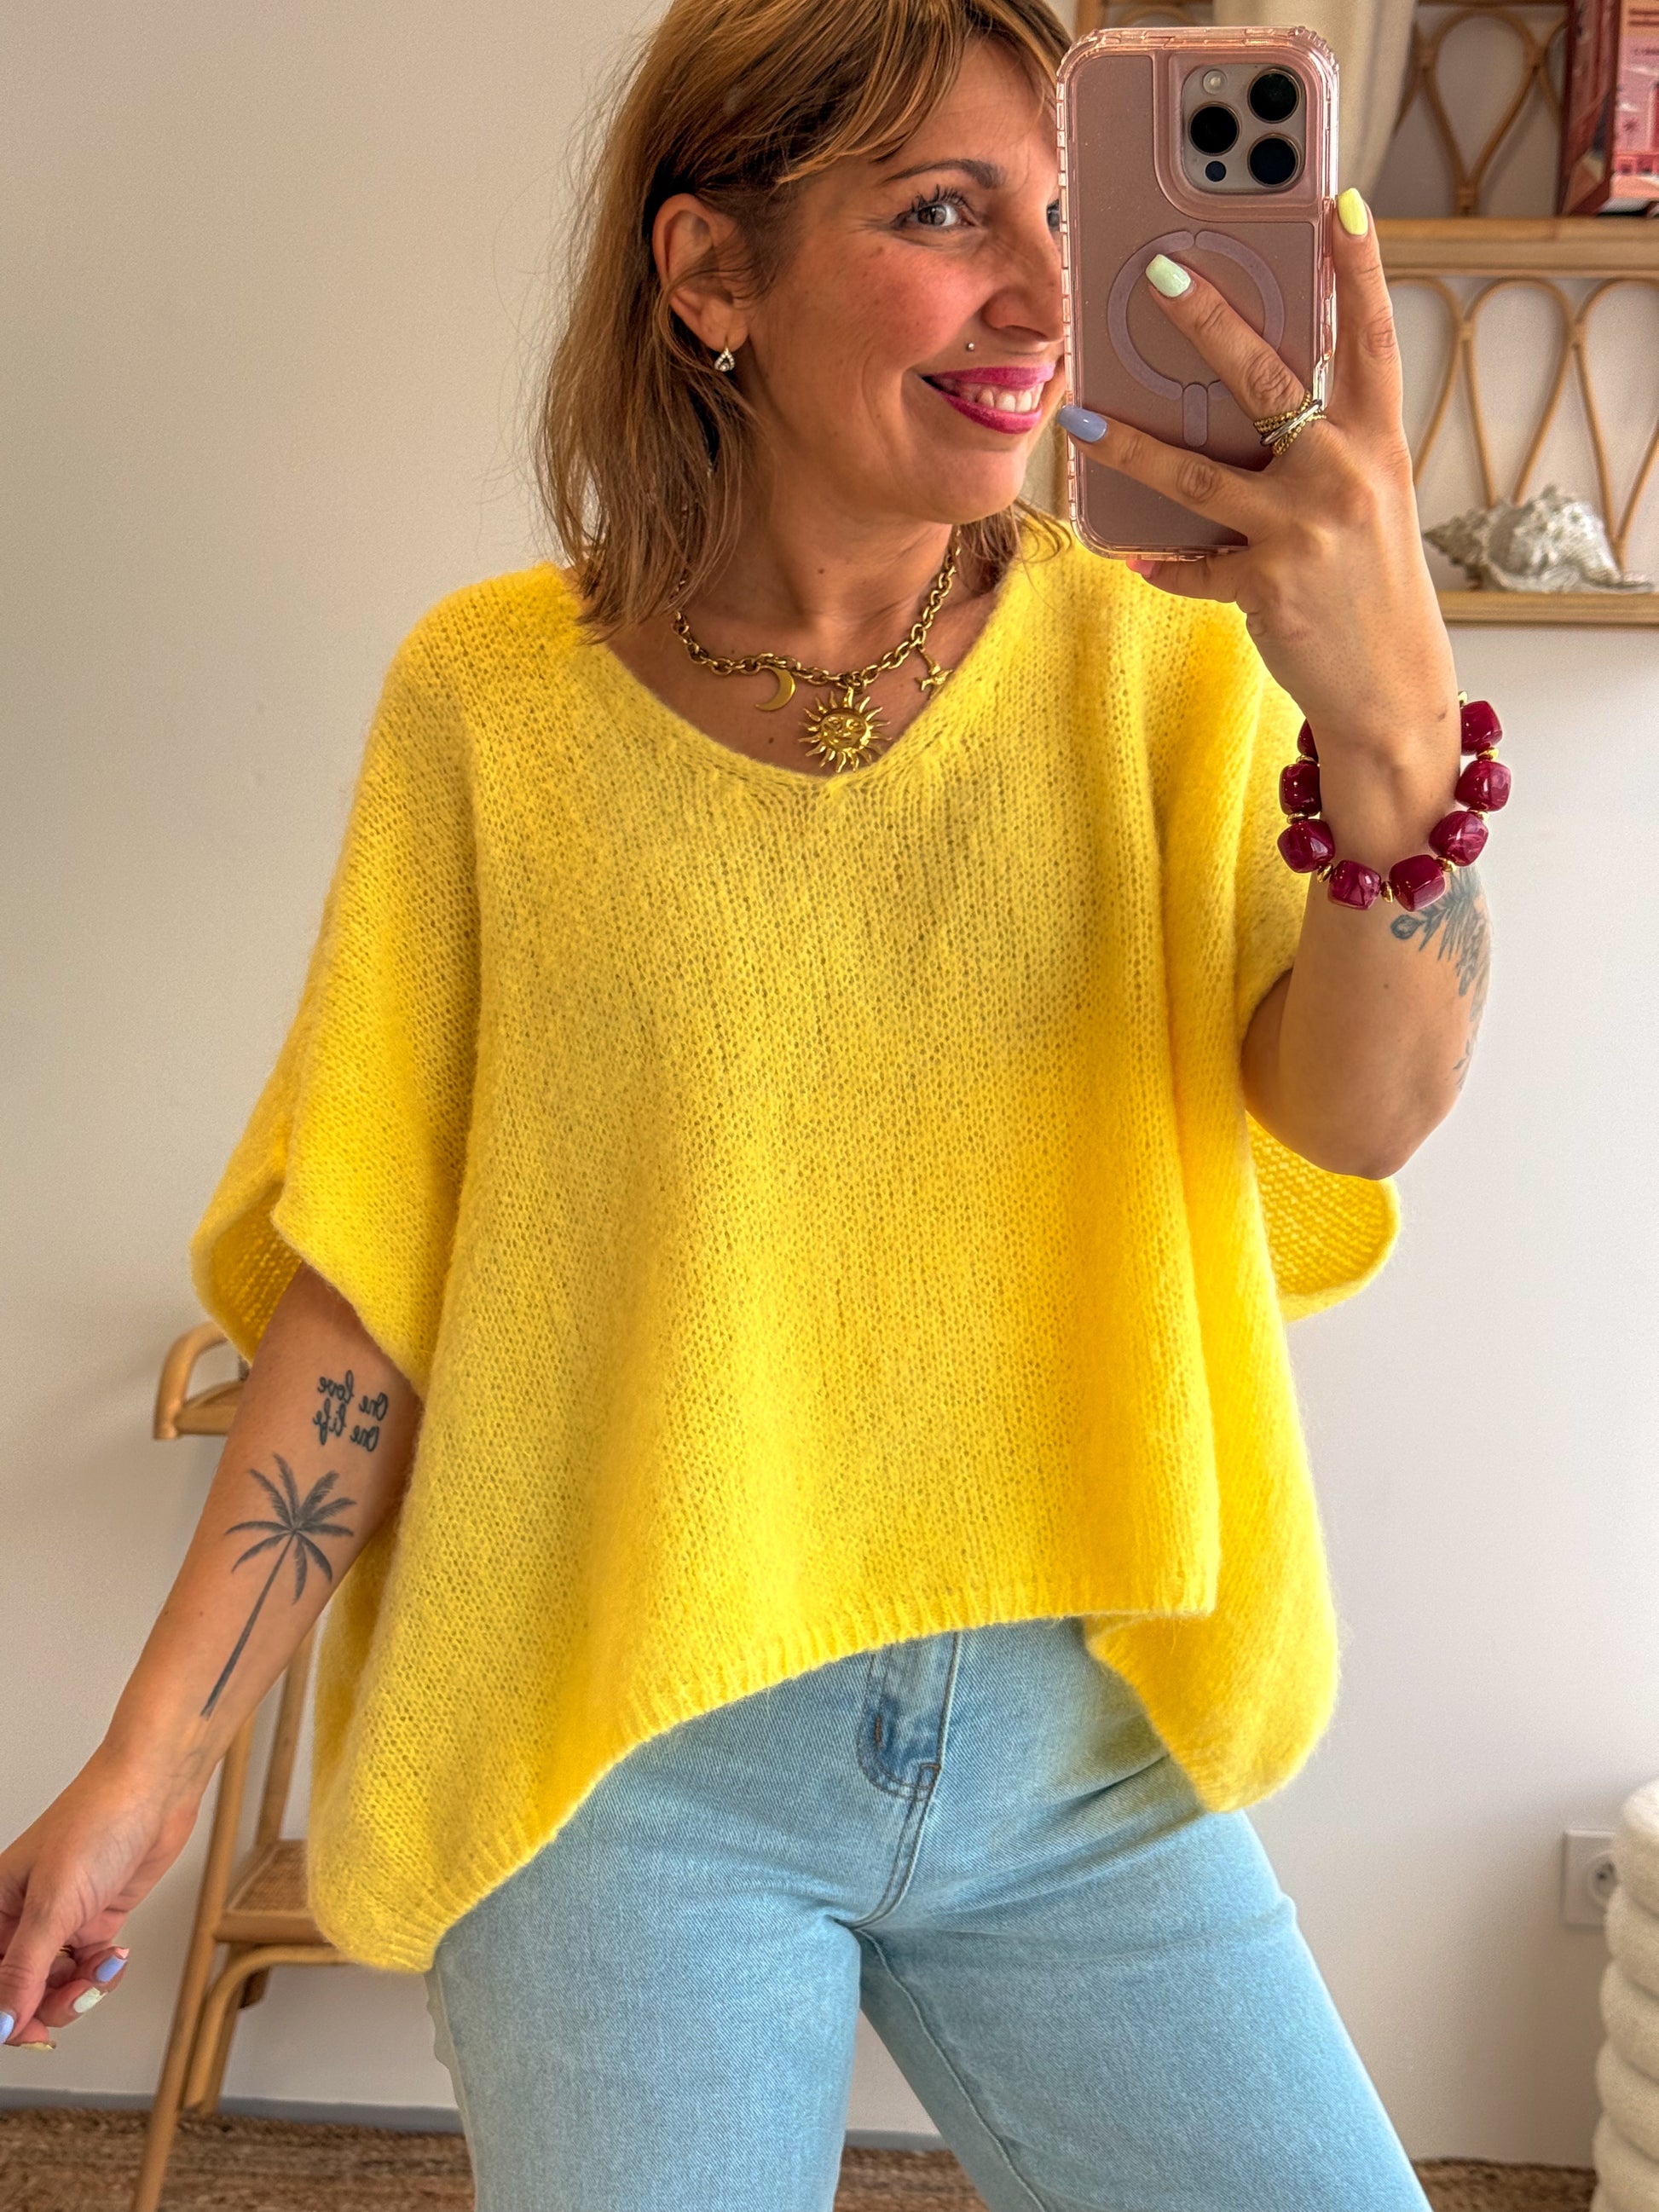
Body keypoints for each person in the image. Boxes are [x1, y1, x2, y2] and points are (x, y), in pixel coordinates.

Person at [0, 2, 1492, 2206]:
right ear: (711, 273)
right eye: (944, 213)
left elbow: (1358, 1116)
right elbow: (375, 1284)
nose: (1042, 294)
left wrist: (1389, 720)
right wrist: (148, 1764)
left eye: (1067, 213)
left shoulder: (1171, 655)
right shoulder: (494, 707)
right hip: (626, 1754)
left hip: (1080, 1750)